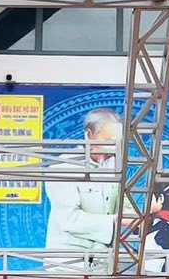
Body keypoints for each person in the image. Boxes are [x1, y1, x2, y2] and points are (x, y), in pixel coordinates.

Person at [44, 108, 121, 262]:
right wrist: (117, 221)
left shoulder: (114, 163)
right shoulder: (62, 167)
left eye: (116, 141)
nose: (112, 147)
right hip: (68, 262)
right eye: (107, 141)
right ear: (88, 135)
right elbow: (68, 219)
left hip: (103, 259)